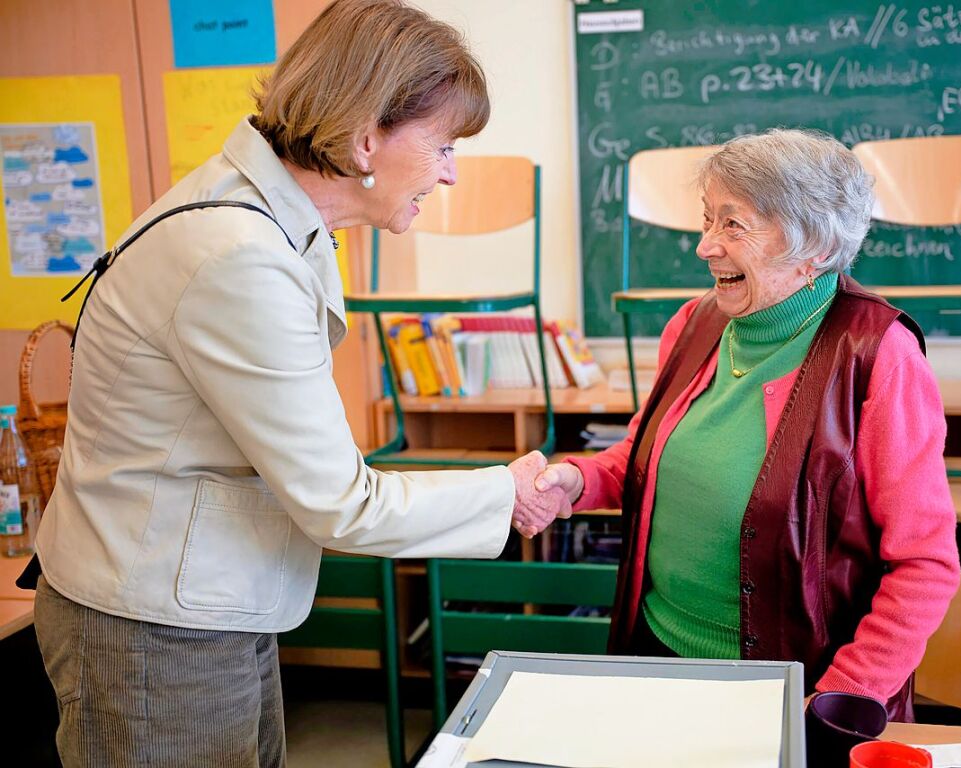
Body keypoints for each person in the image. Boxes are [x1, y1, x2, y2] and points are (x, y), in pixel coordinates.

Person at [27, 2, 568, 765]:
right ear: (366, 135)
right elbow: (340, 503)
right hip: (150, 623)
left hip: (208, 597)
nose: (451, 172)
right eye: (444, 145)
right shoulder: (236, 252)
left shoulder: (278, 219)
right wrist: (504, 495)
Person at [533, 129, 959, 720]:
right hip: (656, 654)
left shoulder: (877, 355)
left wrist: (837, 700)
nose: (705, 247)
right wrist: (575, 481)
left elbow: (925, 564)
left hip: (795, 688)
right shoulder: (693, 323)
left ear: (813, 243)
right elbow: (643, 454)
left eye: (734, 225)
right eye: (708, 220)